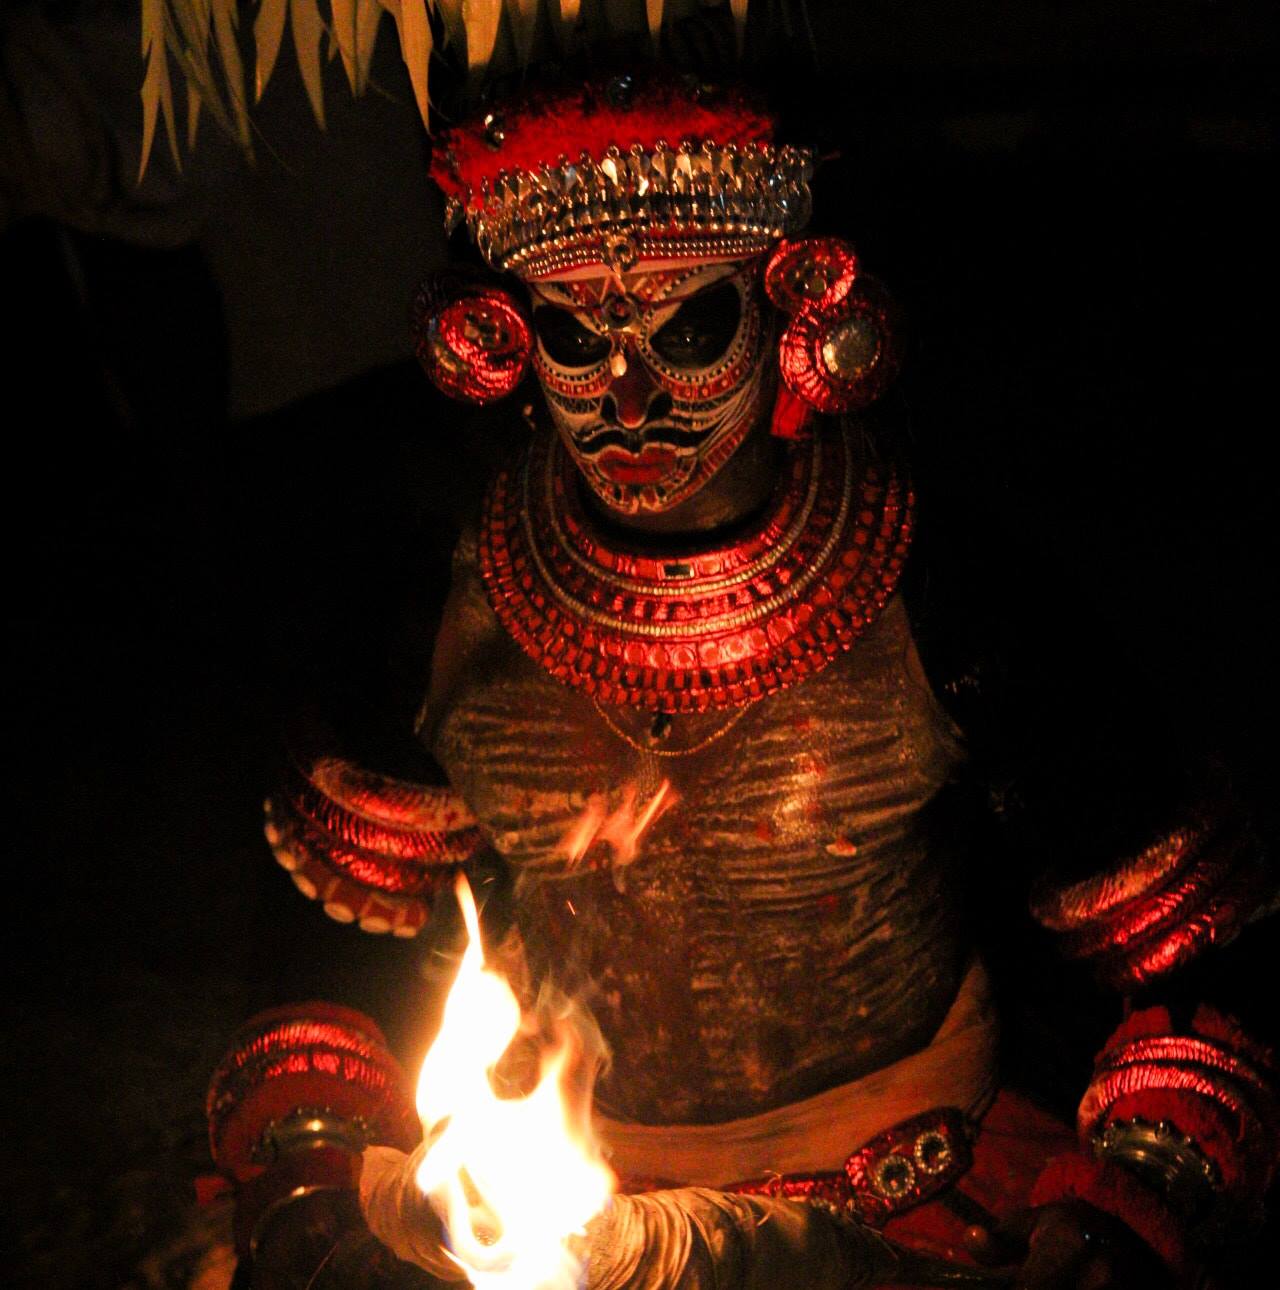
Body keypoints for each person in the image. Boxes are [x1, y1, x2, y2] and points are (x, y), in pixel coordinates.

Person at [186, 8, 1275, 1288]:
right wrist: (314, 1181)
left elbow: (1182, 944)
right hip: (546, 1207)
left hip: (908, 1198)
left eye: (687, 332)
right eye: (576, 340)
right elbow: (332, 943)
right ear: (500, 341)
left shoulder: (934, 583)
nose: (629, 401)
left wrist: (1116, 1210)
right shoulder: (440, 604)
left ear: (795, 307)